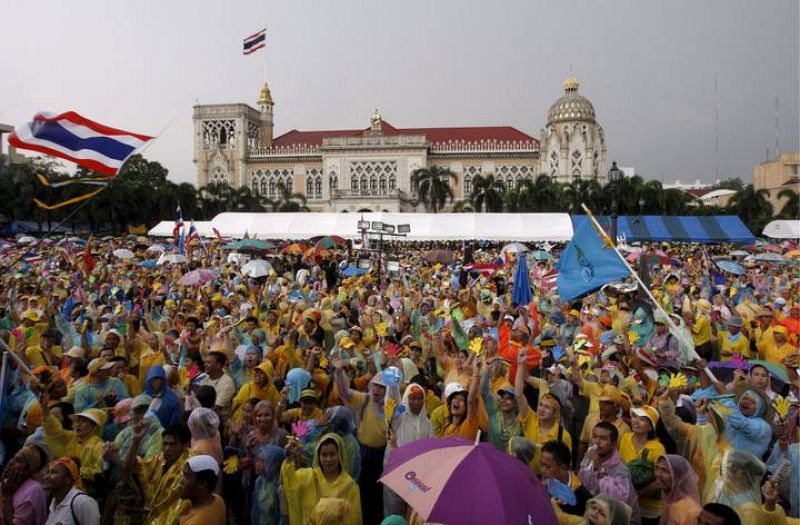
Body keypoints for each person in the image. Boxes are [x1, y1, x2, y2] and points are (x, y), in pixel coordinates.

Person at [281, 433, 362, 525]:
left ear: (340, 455)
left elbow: (354, 519)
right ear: (318, 457)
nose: (328, 459)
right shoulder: (308, 477)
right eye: (324, 455)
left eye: (332, 454)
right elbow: (290, 483)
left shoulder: (350, 486)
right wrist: (289, 459)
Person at [122, 421, 192, 525]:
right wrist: (136, 442)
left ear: (185, 445)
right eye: (165, 444)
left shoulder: (191, 467)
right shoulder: (160, 459)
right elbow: (128, 469)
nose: (167, 449)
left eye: (172, 444)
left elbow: (182, 506)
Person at [578, 421, 640, 525]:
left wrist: (598, 467)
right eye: (595, 436)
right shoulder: (589, 456)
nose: (597, 442)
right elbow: (581, 479)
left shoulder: (620, 469)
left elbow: (618, 500)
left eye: (603, 438)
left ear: (613, 444)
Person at [618, 405, 665, 524]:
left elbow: (660, 481)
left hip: (649, 509)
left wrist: (637, 493)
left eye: (642, 419)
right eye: (634, 416)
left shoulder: (657, 448)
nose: (635, 421)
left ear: (651, 427)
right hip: (626, 503)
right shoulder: (625, 438)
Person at [540, 440, 592, 517]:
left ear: (563, 468)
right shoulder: (537, 482)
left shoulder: (583, 498)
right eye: (541, 464)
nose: (542, 470)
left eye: (548, 466)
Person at [43, 457, 101, 525]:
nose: (46, 477)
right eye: (48, 472)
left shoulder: (82, 502)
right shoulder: (54, 502)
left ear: (68, 479)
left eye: (53, 472)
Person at [0, 445, 47, 525]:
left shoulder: (34, 490)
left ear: (29, 469)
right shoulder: (6, 483)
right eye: (13, 458)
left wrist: (7, 497)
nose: (11, 462)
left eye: (18, 460)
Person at [178, 455, 226, 524]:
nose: (180, 481)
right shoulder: (218, 500)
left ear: (202, 483)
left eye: (186, 476)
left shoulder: (196, 522)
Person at [654, 455, 701, 525]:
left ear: (677, 477)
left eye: (664, 470)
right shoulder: (669, 498)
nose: (657, 474)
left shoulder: (691, 511)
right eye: (657, 468)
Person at [250, 445, 286, 525]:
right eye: (257, 460)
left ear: (273, 464)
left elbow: (281, 518)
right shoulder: (259, 481)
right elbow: (256, 512)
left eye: (262, 461)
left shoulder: (279, 487)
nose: (257, 464)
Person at [144, 364, 181, 428]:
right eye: (153, 380)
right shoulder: (144, 397)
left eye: (158, 379)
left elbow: (174, 423)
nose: (156, 382)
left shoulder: (172, 399)